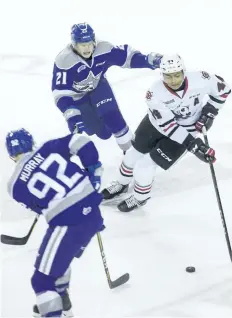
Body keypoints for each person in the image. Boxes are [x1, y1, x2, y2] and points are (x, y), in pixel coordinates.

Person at [101, 54, 231, 212]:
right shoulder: (154, 94)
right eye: (168, 76)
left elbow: (224, 89)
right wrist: (193, 145)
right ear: (161, 74)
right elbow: (169, 126)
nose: (174, 80)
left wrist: (210, 112)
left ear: (184, 72)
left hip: (187, 129)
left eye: (177, 75)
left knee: (145, 165)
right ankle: (121, 184)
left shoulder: (201, 79)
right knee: (132, 155)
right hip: (155, 125)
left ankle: (140, 197)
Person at [6, 128, 105, 317]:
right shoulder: (47, 148)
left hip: (69, 222)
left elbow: (40, 208)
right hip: (93, 212)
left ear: (11, 156)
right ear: (32, 142)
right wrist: (93, 168)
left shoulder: (14, 187)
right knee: (59, 262)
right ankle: (63, 303)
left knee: (41, 281)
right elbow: (81, 141)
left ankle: (54, 309)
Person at [52, 22, 163, 153]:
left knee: (113, 119)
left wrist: (147, 60)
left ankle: (133, 154)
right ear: (74, 44)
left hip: (98, 88)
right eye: (83, 45)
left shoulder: (103, 48)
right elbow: (60, 94)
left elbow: (127, 57)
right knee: (103, 133)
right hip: (77, 99)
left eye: (90, 43)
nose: (87, 48)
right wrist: (72, 117)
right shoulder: (64, 61)